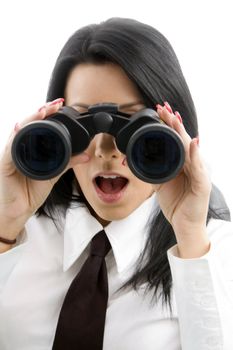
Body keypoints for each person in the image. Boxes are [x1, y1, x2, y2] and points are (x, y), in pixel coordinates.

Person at [0, 17, 232, 350]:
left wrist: (190, 234)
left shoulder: (215, 249)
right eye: (79, 121)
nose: (104, 150)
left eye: (135, 125)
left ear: (171, 130)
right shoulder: (18, 237)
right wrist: (5, 221)